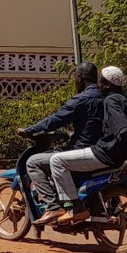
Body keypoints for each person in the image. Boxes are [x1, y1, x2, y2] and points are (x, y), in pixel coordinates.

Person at [39, 65, 127, 225]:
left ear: (107, 84)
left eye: (102, 82)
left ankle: (71, 207)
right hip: (123, 155)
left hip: (104, 153)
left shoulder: (109, 101)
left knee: (56, 160)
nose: (99, 85)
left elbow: (123, 129)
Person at [18, 62, 103, 207]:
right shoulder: (109, 97)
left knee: (33, 162)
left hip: (82, 151)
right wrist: (70, 134)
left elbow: (55, 120)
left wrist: (30, 130)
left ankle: (53, 206)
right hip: (103, 150)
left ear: (79, 78)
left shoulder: (81, 100)